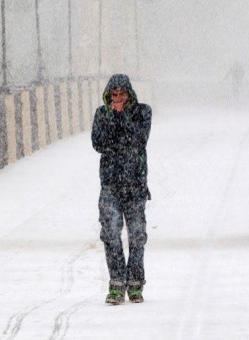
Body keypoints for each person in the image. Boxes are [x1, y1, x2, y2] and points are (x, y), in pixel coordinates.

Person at [91, 74, 152, 305]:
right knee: (110, 234)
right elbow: (99, 143)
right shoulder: (102, 114)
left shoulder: (143, 112)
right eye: (114, 94)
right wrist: (113, 121)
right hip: (110, 185)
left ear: (130, 94)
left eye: (122, 94)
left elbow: (138, 139)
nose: (118, 98)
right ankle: (116, 282)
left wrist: (121, 118)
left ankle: (135, 283)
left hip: (135, 185)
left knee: (137, 235)